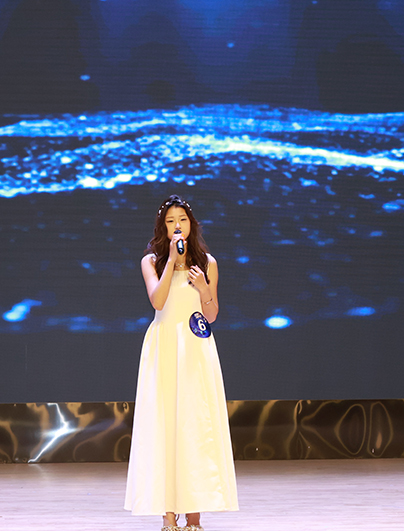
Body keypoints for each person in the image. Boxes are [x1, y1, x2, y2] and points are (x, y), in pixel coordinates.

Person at [125, 195, 239, 531]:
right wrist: (172, 263)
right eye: (171, 221)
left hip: (195, 348)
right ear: (163, 227)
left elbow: (211, 313)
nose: (178, 226)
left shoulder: (207, 263)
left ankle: (194, 516)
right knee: (164, 424)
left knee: (194, 424)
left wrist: (203, 287)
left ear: (192, 225)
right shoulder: (151, 262)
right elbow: (158, 301)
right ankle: (167, 514)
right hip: (164, 346)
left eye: (183, 220)